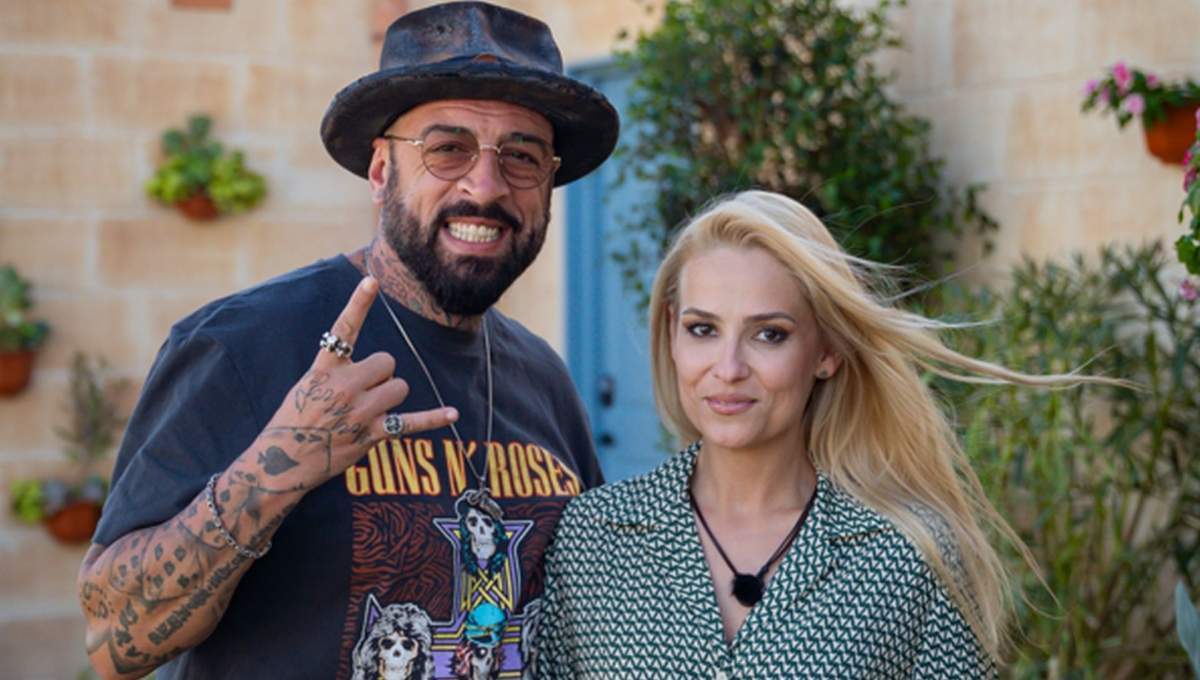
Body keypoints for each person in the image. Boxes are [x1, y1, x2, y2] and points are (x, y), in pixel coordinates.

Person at [77, 3, 616, 678]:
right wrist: (275, 469)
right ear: (381, 172)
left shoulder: (545, 378)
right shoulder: (241, 346)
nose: (485, 185)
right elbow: (113, 640)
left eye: (523, 156)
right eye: (447, 149)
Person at [534, 190, 1122, 677]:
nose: (728, 368)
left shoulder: (905, 553)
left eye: (769, 334)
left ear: (827, 351)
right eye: (703, 329)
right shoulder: (592, 539)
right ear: (671, 333)